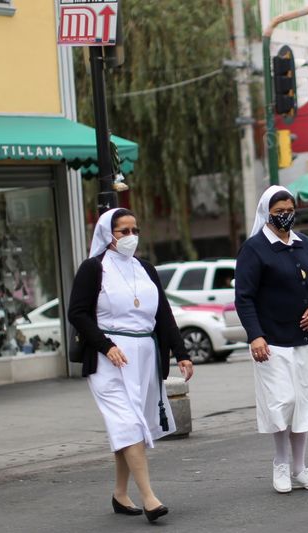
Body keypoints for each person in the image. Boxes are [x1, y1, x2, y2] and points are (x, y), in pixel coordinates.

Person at [68, 208, 194, 522]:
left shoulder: (146, 269)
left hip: (145, 357)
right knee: (127, 423)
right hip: (108, 358)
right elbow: (78, 313)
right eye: (123, 231)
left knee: (129, 425)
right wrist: (106, 346)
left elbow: (163, 315)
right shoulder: (93, 268)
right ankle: (149, 498)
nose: (131, 237)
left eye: (135, 230)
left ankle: (120, 494)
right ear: (108, 235)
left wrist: (182, 353)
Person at [235, 185, 308, 493]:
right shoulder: (254, 249)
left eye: (290, 211)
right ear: (267, 213)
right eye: (279, 212)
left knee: (302, 404)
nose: (285, 216)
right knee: (282, 402)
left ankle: (300, 468)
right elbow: (244, 297)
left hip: (305, 338)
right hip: (272, 340)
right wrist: (255, 336)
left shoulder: (304, 243)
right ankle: (280, 463)